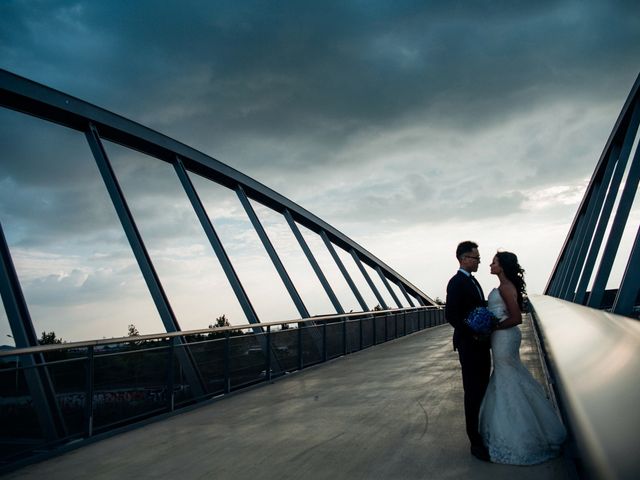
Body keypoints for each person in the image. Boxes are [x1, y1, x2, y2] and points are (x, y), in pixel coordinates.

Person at [479, 251, 566, 464]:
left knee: (507, 377)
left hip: (504, 337)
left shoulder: (506, 287)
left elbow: (516, 317)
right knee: (508, 375)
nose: (490, 264)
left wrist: (494, 326)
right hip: (501, 337)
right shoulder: (505, 286)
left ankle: (518, 437)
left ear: (502, 266)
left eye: (494, 262)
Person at [445, 241, 491, 461]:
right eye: (476, 258)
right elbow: (451, 315)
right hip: (470, 345)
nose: (478, 262)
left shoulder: (472, 281)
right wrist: (472, 333)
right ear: (463, 258)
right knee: (472, 392)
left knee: (481, 388)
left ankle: (481, 431)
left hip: (481, 344)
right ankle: (475, 441)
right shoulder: (456, 283)